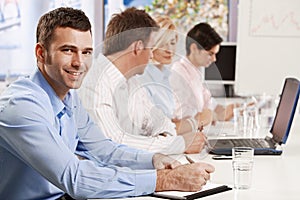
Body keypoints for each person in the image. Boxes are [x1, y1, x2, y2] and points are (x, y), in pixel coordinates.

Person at [0, 7, 214, 199]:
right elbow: (75, 178)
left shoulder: (68, 98)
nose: (79, 62)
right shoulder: (22, 106)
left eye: (86, 52)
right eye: (68, 50)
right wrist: (164, 180)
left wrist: (154, 160)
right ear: (41, 53)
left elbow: (103, 149)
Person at [79, 8, 207, 155]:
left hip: (131, 168)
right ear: (138, 47)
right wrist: (179, 144)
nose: (152, 54)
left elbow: (163, 124)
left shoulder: (132, 81)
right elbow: (112, 144)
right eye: (151, 48)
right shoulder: (95, 82)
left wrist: (160, 142)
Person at [135, 15, 203, 135]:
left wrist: (181, 122)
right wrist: (194, 122)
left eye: (172, 42)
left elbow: (167, 119)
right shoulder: (143, 78)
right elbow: (155, 130)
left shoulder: (166, 75)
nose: (169, 49)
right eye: (163, 44)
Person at [169, 22, 235, 128]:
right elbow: (183, 115)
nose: (214, 59)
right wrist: (212, 116)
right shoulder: (178, 74)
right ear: (194, 48)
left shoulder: (195, 72)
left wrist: (234, 109)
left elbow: (208, 102)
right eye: (210, 54)